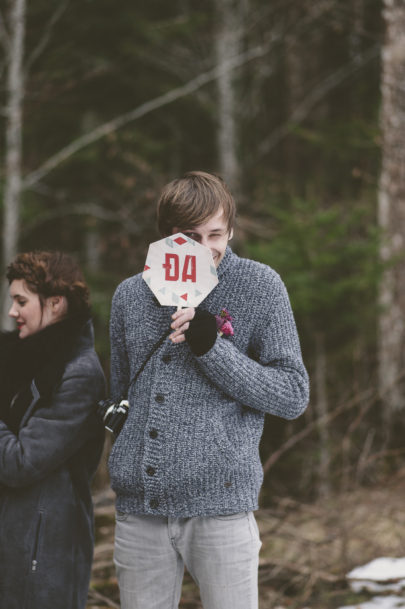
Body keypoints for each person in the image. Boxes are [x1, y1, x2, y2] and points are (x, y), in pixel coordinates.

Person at [108, 171, 310, 609]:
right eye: (189, 236)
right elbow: (120, 391)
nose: (205, 247)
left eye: (215, 233)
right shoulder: (129, 295)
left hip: (221, 506)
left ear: (231, 229)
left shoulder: (261, 286)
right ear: (166, 237)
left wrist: (213, 348)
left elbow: (293, 394)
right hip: (140, 510)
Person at [0, 251, 106, 609]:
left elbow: (21, 462)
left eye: (21, 301)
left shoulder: (80, 374)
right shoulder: (22, 358)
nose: (12, 311)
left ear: (56, 304)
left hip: (43, 558)